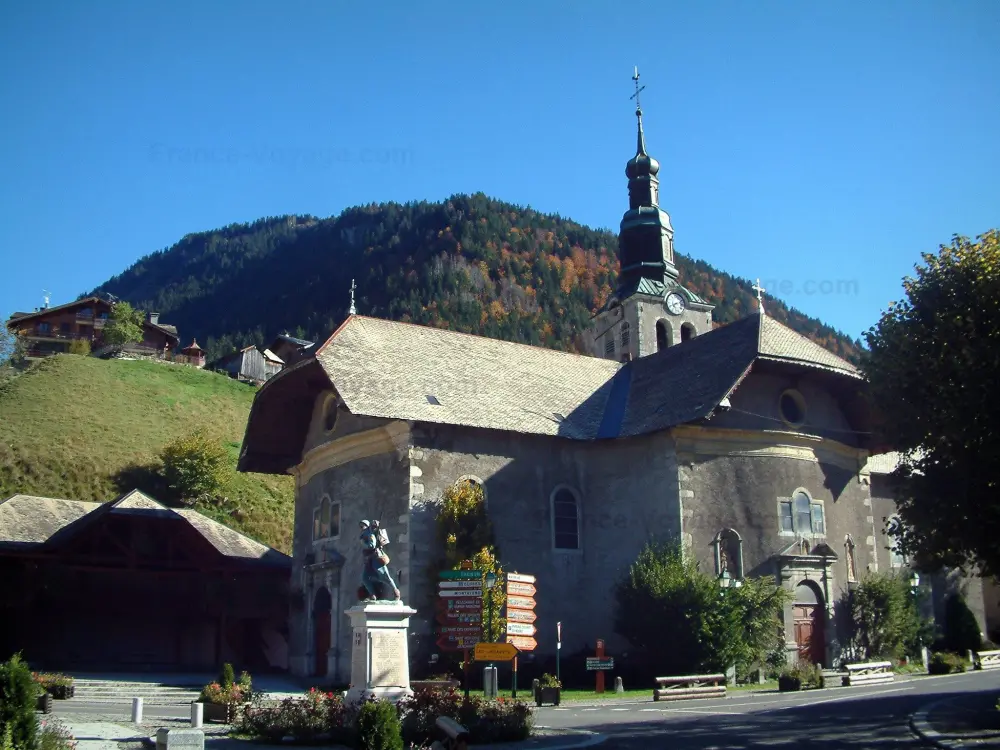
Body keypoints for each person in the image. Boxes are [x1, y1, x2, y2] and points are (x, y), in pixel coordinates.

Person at [359, 519, 400, 601]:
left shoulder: (369, 533)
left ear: (366, 526)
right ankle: (372, 595)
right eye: (360, 526)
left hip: (376, 558)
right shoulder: (364, 534)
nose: (361, 527)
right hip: (369, 560)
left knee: (385, 576)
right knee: (365, 578)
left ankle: (396, 592)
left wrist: (363, 543)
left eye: (363, 525)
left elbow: (372, 545)